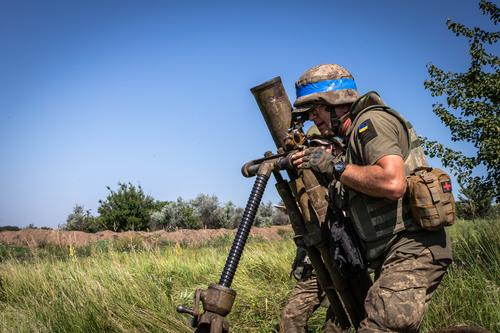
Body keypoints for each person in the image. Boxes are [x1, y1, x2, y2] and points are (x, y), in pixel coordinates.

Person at [290, 64, 452, 332]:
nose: (312, 119)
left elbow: (392, 183)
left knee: (379, 327)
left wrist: (335, 167)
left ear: (335, 102)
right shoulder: (351, 142)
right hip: (390, 254)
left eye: (315, 109)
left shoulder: (371, 122)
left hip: (414, 248)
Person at [279, 126, 341, 333]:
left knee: (336, 325)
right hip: (315, 266)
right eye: (311, 148)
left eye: (319, 148)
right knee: (290, 318)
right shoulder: (303, 182)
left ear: (333, 148)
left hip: (344, 264)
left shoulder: (345, 174)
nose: (312, 154)